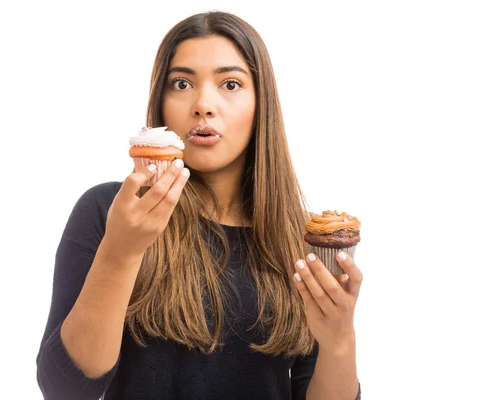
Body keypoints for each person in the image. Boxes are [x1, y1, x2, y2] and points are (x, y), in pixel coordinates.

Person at [36, 11, 362, 400]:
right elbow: (66, 389)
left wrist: (340, 337)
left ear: (262, 104)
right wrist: (120, 254)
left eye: (230, 84)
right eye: (182, 83)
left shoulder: (303, 239)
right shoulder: (110, 212)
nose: (203, 104)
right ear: (161, 101)